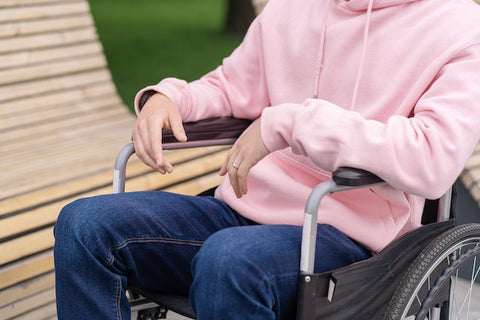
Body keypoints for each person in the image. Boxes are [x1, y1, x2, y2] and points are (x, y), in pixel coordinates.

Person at [54, 0, 480, 319]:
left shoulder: (460, 27)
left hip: (351, 235)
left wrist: (292, 122)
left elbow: (433, 157)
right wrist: (169, 98)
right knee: (84, 226)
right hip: (242, 209)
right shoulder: (293, 7)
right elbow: (231, 85)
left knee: (230, 261)